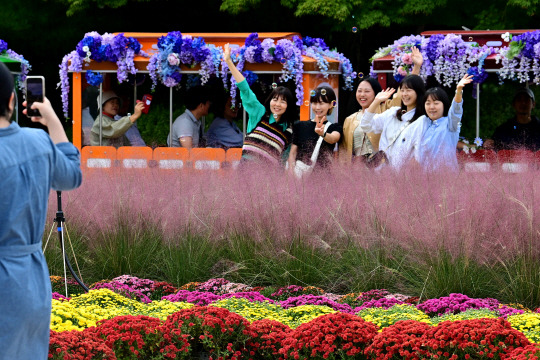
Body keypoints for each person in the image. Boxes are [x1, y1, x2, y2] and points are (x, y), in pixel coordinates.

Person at [0, 62, 82, 359]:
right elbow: (71, 176)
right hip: (30, 280)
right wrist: (52, 121)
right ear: (11, 100)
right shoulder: (38, 142)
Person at [340, 47, 424, 164]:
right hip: (356, 168)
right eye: (359, 91)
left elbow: (404, 93)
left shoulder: (388, 109)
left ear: (376, 93)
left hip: (379, 167)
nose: (362, 95)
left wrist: (416, 67)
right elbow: (344, 150)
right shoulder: (350, 119)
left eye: (367, 91)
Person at [223, 43, 297, 167]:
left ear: (288, 106)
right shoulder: (260, 113)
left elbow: (284, 162)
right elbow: (245, 89)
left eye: (283, 101)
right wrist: (229, 62)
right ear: (270, 101)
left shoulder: (289, 130)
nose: (277, 104)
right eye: (275, 99)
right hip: (244, 174)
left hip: (267, 180)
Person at [360, 74, 426, 170]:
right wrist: (376, 101)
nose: (404, 94)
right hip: (381, 172)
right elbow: (365, 125)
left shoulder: (422, 120)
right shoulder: (393, 113)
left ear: (418, 92)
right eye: (402, 90)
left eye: (408, 90)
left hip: (403, 176)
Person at [410, 75, 473, 171]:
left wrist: (459, 90)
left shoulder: (450, 123)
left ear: (444, 105)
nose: (431, 107)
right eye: (428, 103)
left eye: (436, 103)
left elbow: (456, 110)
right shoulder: (423, 124)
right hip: (425, 180)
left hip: (447, 179)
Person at [288, 86, 343, 173]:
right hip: (301, 178)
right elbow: (293, 153)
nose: (317, 107)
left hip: (324, 178)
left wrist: (323, 134)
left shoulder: (335, 127)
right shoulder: (300, 125)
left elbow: (333, 138)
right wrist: (291, 173)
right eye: (314, 103)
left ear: (331, 104)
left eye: (321, 103)